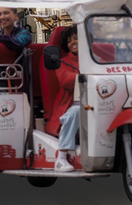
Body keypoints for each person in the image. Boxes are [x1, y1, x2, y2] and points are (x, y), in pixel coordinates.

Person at [46, 26, 80, 172]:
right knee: (76, 111)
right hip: (73, 104)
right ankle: (61, 158)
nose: (72, 42)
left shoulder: (99, 59)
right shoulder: (63, 61)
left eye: (76, 38)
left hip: (101, 101)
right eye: (68, 40)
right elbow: (65, 80)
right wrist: (85, 75)